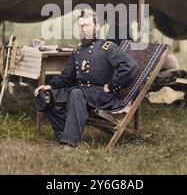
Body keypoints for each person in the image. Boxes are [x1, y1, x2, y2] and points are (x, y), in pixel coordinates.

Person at [34, 11, 139, 147]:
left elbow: (131, 66)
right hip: (81, 92)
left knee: (76, 93)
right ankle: (62, 133)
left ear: (98, 27)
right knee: (45, 97)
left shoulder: (108, 47)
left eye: (87, 25)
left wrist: (112, 86)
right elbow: (67, 77)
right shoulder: (77, 51)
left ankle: (70, 143)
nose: (84, 29)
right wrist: (51, 87)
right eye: (81, 26)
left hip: (102, 94)